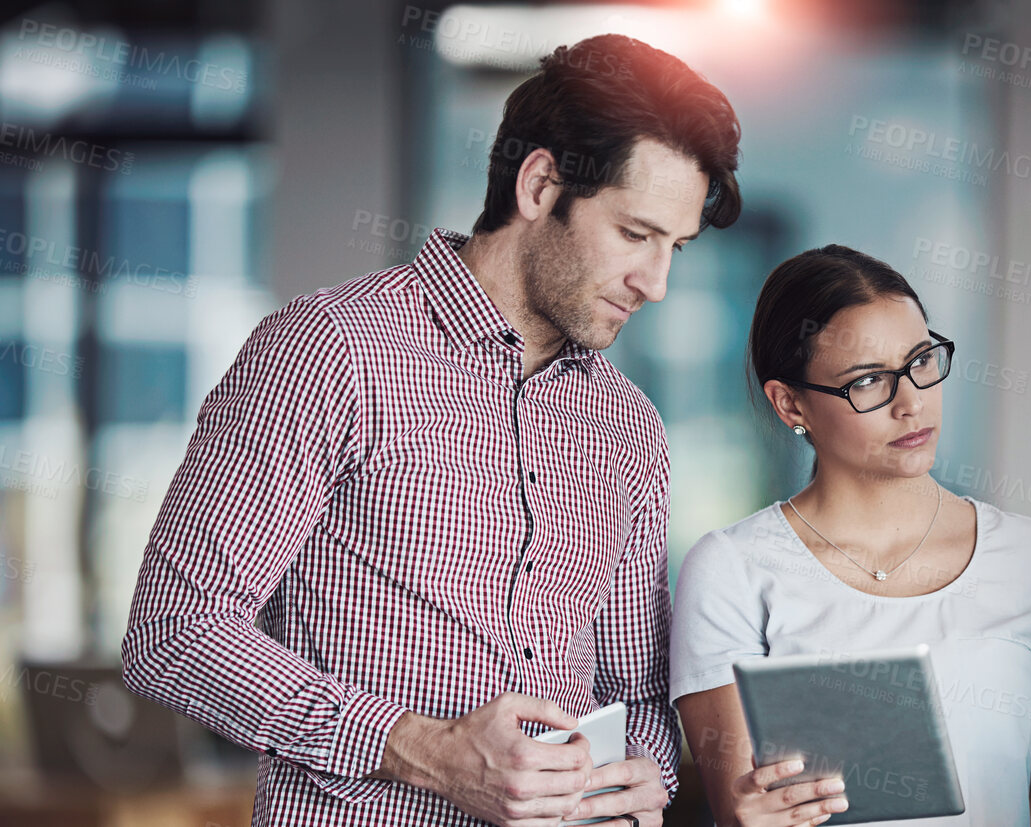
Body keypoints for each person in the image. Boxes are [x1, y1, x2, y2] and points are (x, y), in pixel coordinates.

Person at [119, 34, 742, 826]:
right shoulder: (329, 349)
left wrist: (637, 780)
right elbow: (175, 631)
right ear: (541, 184)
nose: (656, 284)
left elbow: (638, 692)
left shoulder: (630, 428)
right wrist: (424, 748)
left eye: (676, 248)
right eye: (635, 234)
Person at [670, 245, 1031, 827]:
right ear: (790, 403)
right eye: (869, 381)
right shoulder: (732, 570)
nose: (912, 403)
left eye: (921, 362)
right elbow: (737, 808)